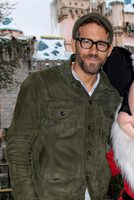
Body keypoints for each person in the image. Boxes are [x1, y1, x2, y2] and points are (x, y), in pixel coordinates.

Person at [6, 12, 121, 200]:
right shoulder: (40, 84)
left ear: (109, 50)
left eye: (101, 44)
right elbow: (18, 148)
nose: (93, 51)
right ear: (73, 43)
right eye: (86, 42)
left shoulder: (113, 95)